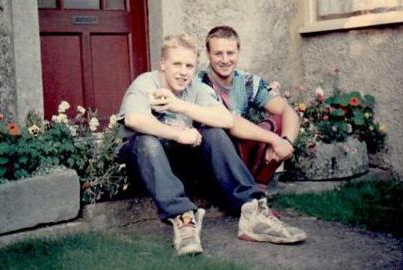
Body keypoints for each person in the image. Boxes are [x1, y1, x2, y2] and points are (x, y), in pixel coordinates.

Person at [118, 33, 306, 256]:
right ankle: (184, 219)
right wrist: (177, 134)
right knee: (147, 141)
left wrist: (179, 106)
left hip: (178, 164)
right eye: (177, 64)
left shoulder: (195, 88)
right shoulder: (146, 82)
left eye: (189, 65)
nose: (183, 71)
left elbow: (226, 119)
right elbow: (134, 119)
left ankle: (252, 211)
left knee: (214, 133)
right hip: (143, 161)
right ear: (163, 64)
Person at [198, 26, 300, 185]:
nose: (225, 60)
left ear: (238, 52)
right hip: (211, 158)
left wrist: (285, 142)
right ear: (208, 54)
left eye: (230, 53)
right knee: (215, 132)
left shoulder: (248, 82)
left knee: (280, 120)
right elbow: (231, 122)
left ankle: (259, 187)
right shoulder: (200, 84)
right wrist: (274, 140)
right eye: (218, 53)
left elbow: (287, 110)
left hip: (241, 152)